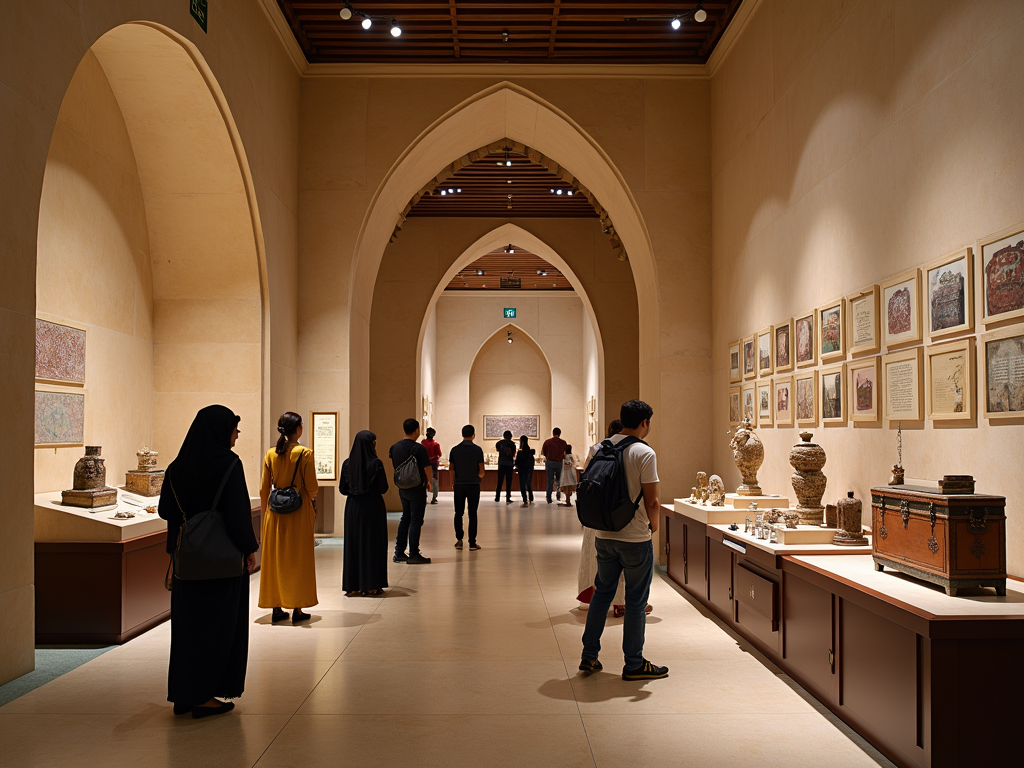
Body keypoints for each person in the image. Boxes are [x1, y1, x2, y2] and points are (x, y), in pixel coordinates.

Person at [159, 404, 258, 719]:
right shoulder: (229, 465)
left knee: (188, 630)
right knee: (218, 628)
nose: (236, 436)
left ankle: (185, 695)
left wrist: (174, 556)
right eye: (234, 429)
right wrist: (250, 549)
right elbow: (237, 514)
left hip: (188, 561)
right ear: (220, 430)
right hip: (222, 561)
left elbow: (166, 511)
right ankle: (205, 697)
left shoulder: (176, 468)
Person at [580, 399, 668, 681]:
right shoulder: (644, 452)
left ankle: (589, 656)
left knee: (602, 595)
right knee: (635, 601)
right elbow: (653, 501)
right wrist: (653, 528)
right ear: (645, 423)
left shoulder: (599, 448)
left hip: (603, 534)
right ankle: (634, 663)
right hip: (634, 537)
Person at [259, 412, 319, 624]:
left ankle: (276, 606)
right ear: (299, 429)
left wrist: (268, 511)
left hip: (274, 514)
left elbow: (263, 488)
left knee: (276, 558)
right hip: (298, 512)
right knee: (298, 558)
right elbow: (312, 488)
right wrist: (310, 499)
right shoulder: (305, 453)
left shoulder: (271, 454)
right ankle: (297, 607)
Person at [578, 420, 626, 615]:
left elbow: (585, 475)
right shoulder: (629, 450)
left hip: (594, 511)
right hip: (618, 511)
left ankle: (590, 598)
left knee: (592, 555)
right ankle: (620, 603)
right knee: (620, 558)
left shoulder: (596, 448)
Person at [340, 430, 389, 596]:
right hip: (373, 507)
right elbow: (383, 488)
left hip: (353, 508)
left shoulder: (347, 464)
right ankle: (371, 585)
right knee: (372, 545)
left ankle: (352, 584)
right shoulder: (376, 463)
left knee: (354, 544)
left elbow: (342, 489)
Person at [389, 418, 432, 564]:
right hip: (417, 489)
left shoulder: (394, 447)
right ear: (417, 430)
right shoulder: (419, 448)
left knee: (405, 518)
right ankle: (414, 553)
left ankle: (399, 552)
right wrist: (431, 483)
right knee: (416, 520)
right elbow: (427, 468)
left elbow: (395, 467)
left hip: (403, 488)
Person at [448, 424, 485, 550]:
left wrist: (453, 483)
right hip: (473, 484)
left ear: (462, 435)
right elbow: (482, 471)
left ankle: (459, 540)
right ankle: (472, 543)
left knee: (458, 513)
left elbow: (451, 469)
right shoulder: (478, 450)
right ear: (473, 435)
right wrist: (478, 475)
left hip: (459, 484)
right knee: (472, 513)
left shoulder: (454, 450)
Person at [541, 427, 567, 504]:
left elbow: (544, 453)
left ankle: (549, 497)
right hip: (559, 463)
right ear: (560, 433)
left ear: (553, 433)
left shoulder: (547, 442)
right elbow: (565, 452)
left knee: (550, 480)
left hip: (549, 462)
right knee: (559, 480)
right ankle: (558, 495)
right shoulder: (563, 442)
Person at [494, 430, 516, 503]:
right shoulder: (512, 444)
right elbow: (513, 453)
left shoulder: (499, 443)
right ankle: (508, 497)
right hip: (509, 464)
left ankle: (497, 497)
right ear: (510, 436)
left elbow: (497, 449)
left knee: (500, 481)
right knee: (508, 481)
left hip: (501, 464)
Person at [422, 427, 442, 505]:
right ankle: (434, 498)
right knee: (434, 481)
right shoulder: (436, 444)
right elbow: (439, 454)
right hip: (433, 464)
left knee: (424, 480)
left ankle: (424, 497)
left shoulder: (423, 443)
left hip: (423, 463)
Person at [515, 435, 536, 507]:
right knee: (528, 483)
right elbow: (532, 461)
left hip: (521, 470)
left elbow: (516, 462)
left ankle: (525, 499)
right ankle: (531, 497)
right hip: (529, 469)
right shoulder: (530, 451)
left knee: (522, 484)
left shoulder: (520, 452)